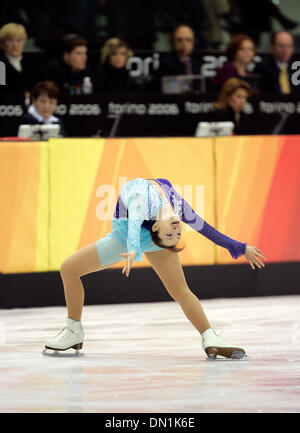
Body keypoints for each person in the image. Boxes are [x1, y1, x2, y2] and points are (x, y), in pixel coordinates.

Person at [44, 177, 266, 359]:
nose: (178, 230)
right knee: (179, 290)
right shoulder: (161, 205)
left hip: (130, 239)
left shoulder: (157, 208)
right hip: (134, 237)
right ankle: (208, 336)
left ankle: (210, 337)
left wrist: (241, 248)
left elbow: (199, 227)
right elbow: (138, 226)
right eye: (175, 234)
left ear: (158, 227)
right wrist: (132, 249)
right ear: (157, 226)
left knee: (68, 269)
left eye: (176, 235)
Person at [154, 24, 201, 92]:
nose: (184, 43)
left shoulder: (195, 61)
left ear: (194, 42)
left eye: (188, 40)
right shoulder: (166, 63)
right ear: (173, 42)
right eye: (180, 40)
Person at [0, 22, 32, 95]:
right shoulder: (1, 65)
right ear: (3, 43)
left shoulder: (29, 64)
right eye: (10, 40)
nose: (15, 45)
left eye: (19, 40)